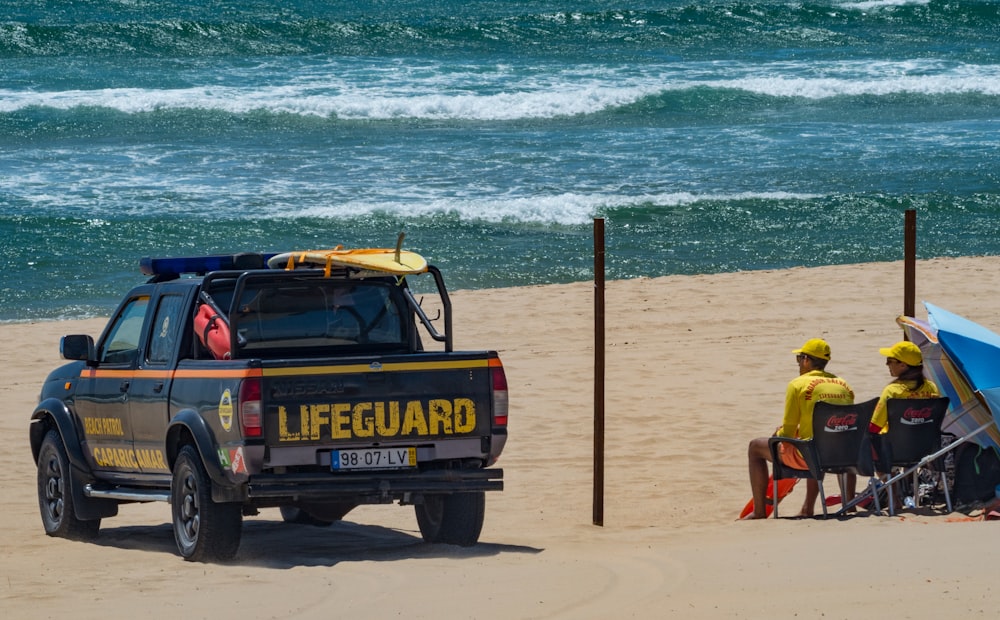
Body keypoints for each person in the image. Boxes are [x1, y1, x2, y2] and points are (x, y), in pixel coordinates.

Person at [744, 338, 855, 519]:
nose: (798, 364)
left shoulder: (797, 384)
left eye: (799, 359)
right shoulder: (844, 385)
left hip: (811, 455)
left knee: (755, 447)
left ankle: (759, 512)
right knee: (814, 440)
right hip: (842, 455)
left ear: (806, 360)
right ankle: (823, 507)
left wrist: (777, 434)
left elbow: (787, 429)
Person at [845, 340, 942, 503]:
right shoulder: (932, 388)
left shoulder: (893, 391)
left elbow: (874, 427)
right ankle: (907, 487)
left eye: (890, 361)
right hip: (926, 448)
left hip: (895, 451)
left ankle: (894, 493)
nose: (887, 364)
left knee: (864, 442)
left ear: (903, 365)